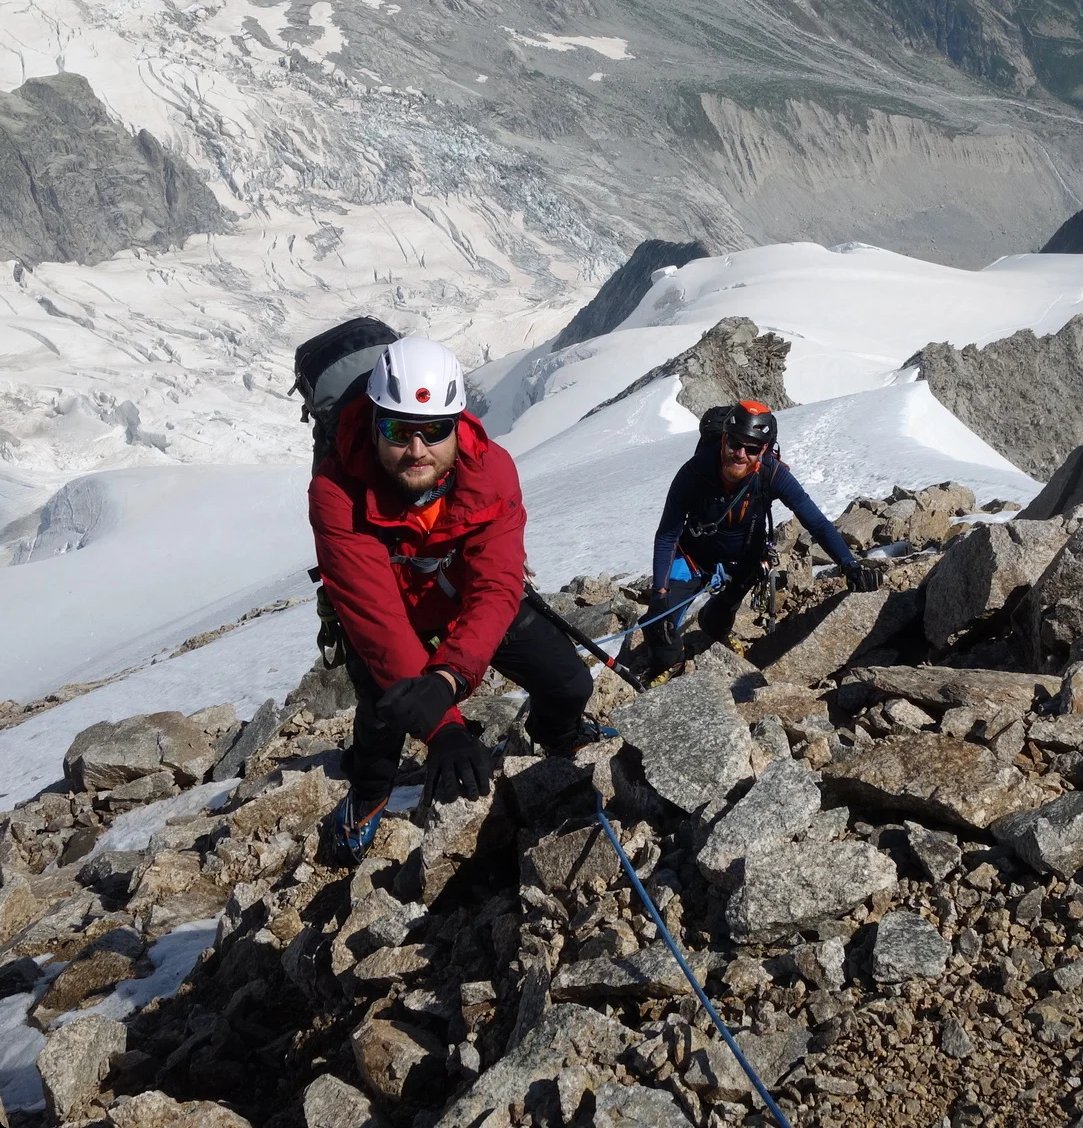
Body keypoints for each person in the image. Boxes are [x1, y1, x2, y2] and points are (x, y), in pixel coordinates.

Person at [308, 335, 596, 863]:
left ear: (458, 425)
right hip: (396, 616)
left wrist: (449, 677)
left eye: (433, 431)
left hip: (467, 603)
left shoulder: (492, 471)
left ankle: (558, 732)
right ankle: (370, 796)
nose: (416, 451)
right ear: (373, 422)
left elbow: (498, 584)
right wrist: (445, 729)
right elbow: (377, 622)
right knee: (385, 714)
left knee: (570, 681)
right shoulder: (336, 491)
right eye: (398, 430)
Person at [642, 399, 884, 678]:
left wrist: (849, 564)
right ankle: (669, 665)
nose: (741, 454)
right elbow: (667, 535)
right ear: (723, 440)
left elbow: (815, 522)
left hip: (744, 560)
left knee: (724, 611)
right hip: (693, 557)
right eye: (735, 443)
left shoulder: (773, 474)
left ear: (764, 450)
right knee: (658, 623)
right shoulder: (694, 473)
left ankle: (713, 629)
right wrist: (660, 594)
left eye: (752, 448)